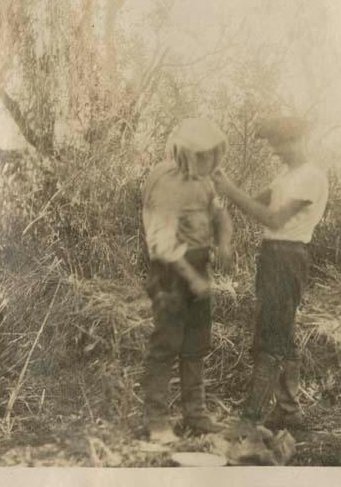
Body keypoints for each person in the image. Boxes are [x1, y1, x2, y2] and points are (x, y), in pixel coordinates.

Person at [211, 116, 328, 431]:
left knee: (270, 338)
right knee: (282, 334)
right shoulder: (286, 178)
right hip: (273, 257)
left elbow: (273, 219)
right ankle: (288, 410)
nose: (276, 152)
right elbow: (251, 203)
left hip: (288, 257)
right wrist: (217, 182)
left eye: (279, 144)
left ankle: (249, 420)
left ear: (296, 140)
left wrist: (231, 191)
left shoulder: (311, 177)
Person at [141, 118, 232, 443]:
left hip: (198, 266)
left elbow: (220, 215)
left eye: (213, 155)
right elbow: (162, 245)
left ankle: (196, 414)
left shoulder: (205, 181)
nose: (210, 162)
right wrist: (193, 279)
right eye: (203, 155)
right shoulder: (165, 183)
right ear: (186, 153)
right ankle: (158, 421)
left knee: (196, 345)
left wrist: (223, 244)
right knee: (166, 345)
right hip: (170, 273)